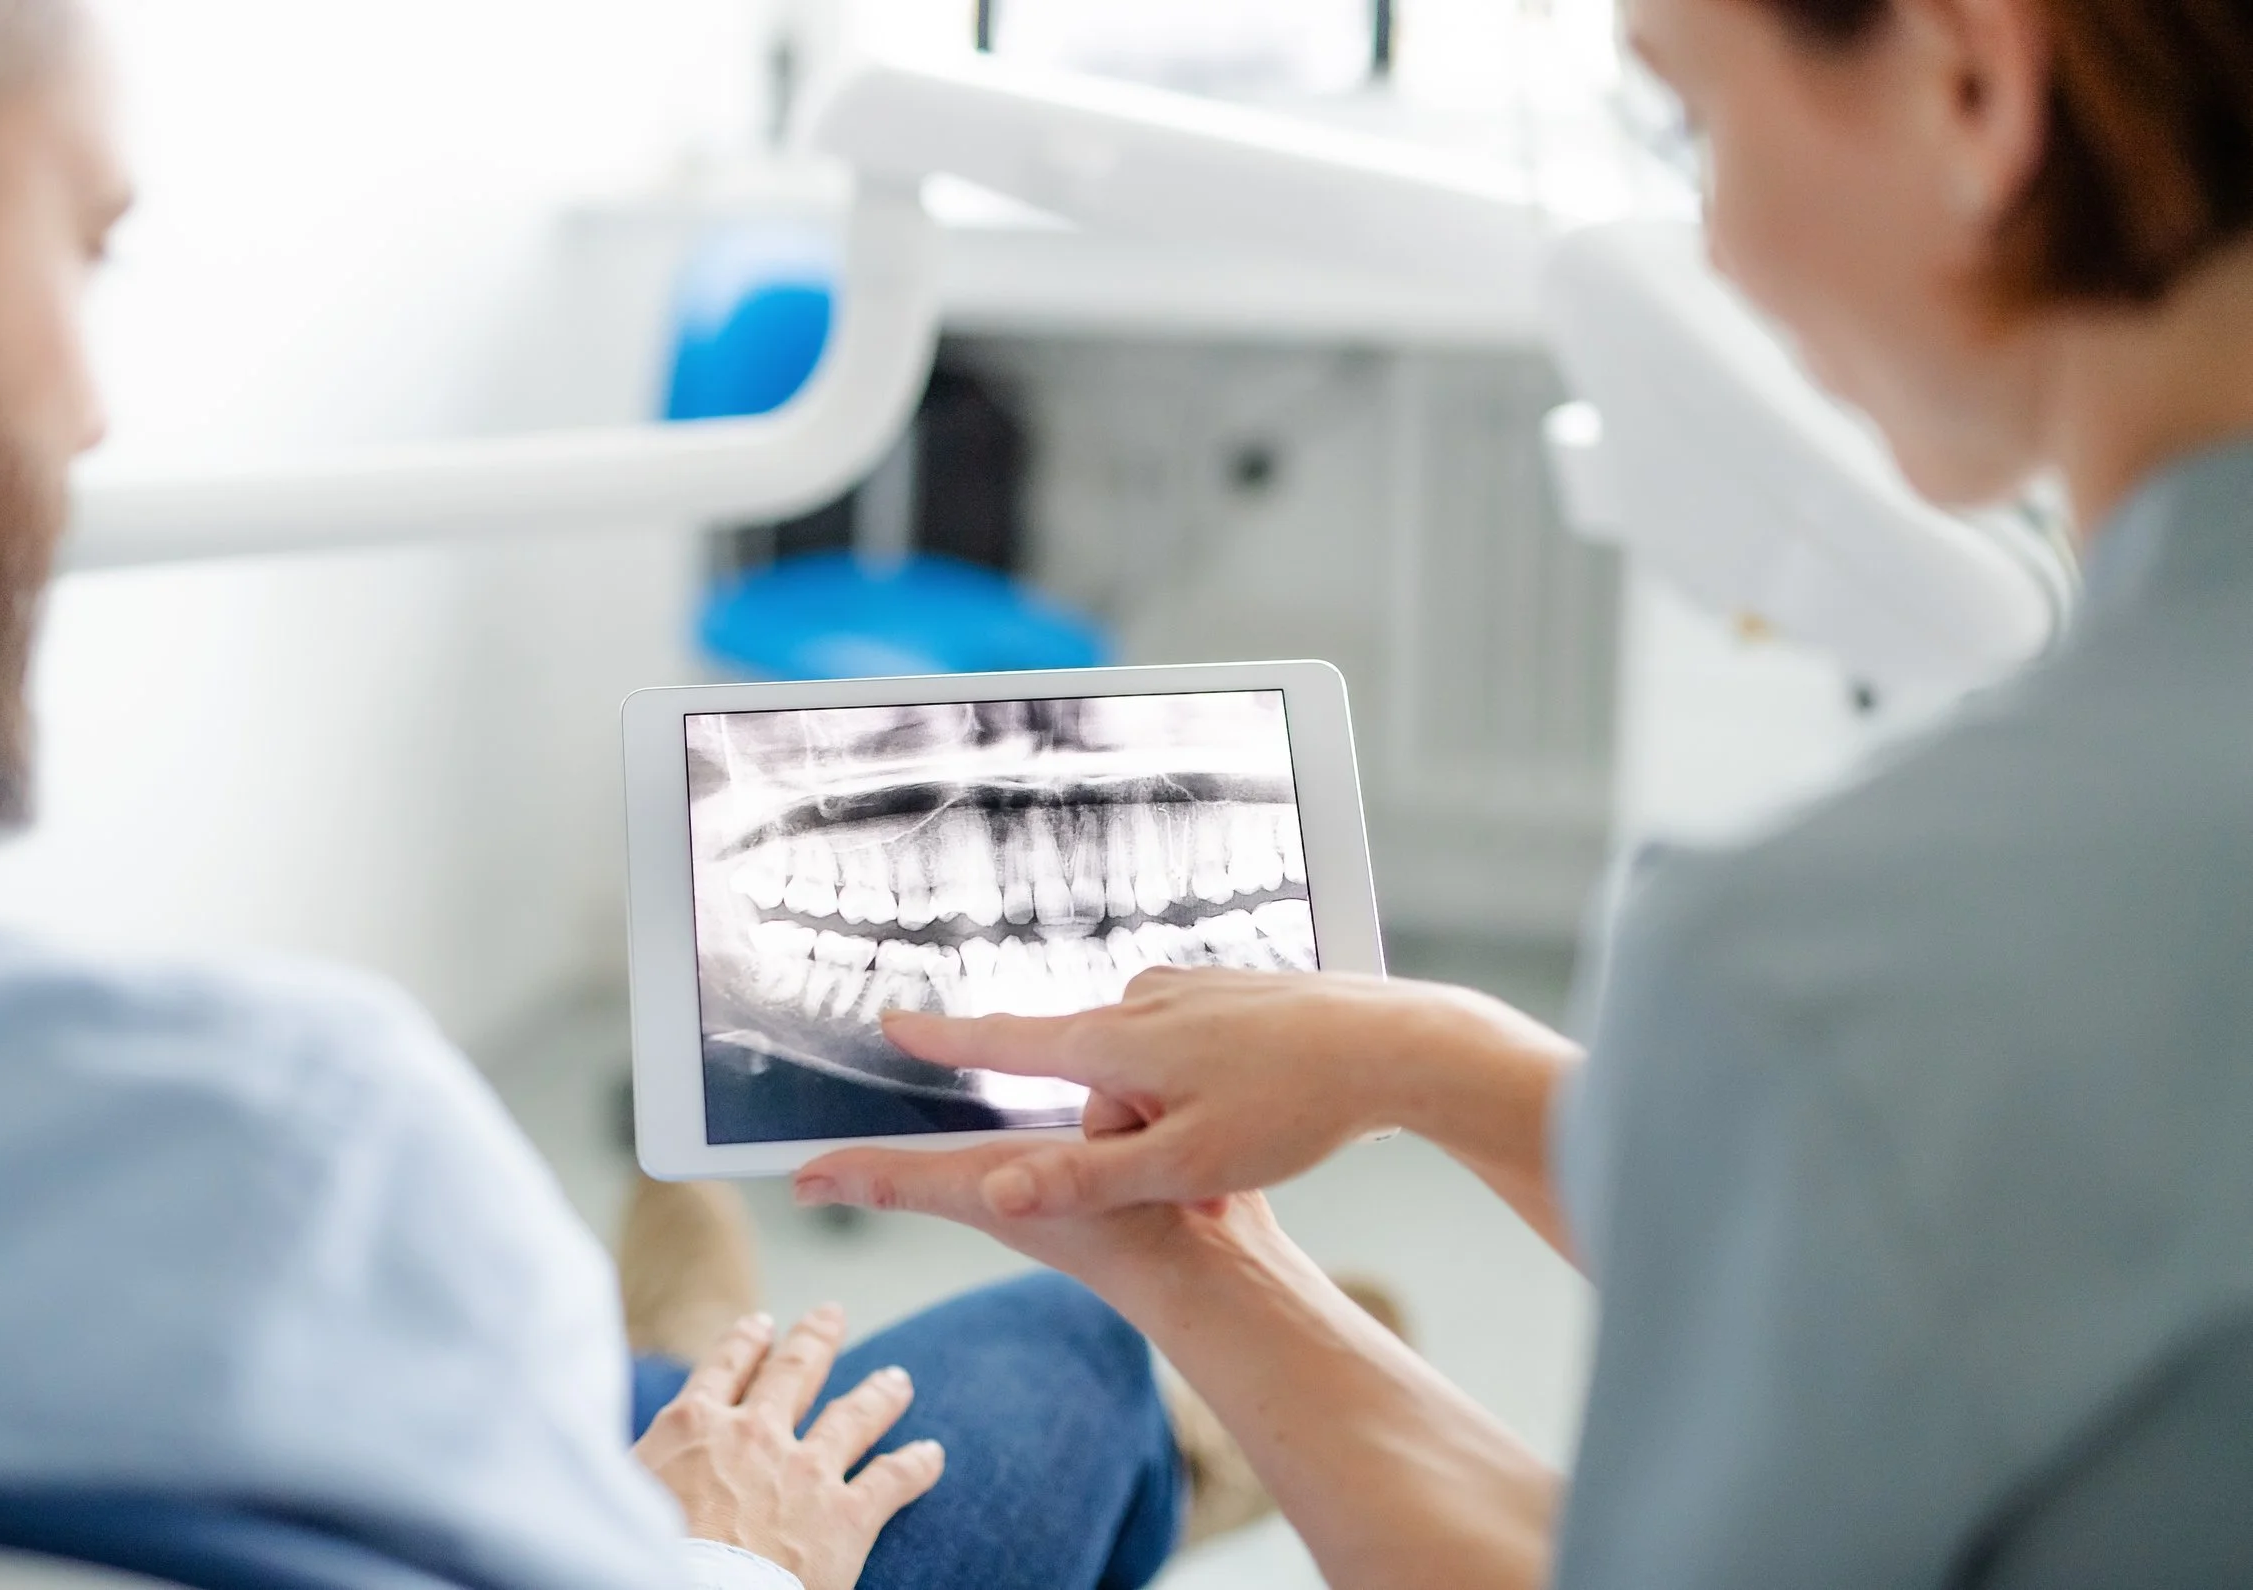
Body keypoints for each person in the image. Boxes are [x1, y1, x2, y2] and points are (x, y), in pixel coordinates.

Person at [0, 4, 1256, 1588]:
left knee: (725, 1388)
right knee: (1066, 1352)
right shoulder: (291, 1149)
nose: (91, 413)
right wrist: (735, 1558)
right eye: (81, 249)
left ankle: (683, 1362)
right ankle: (1155, 1438)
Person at [798, 0, 2253, 1586]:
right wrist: (1440, 1060)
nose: (1720, 244)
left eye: (1694, 122)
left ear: (1971, 83)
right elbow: (1993, 1260)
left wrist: (1192, 1269)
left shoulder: (1818, 964)